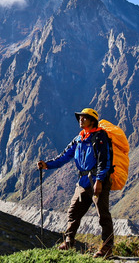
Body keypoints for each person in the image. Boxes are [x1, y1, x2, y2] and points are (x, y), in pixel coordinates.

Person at [37, 107, 114, 259]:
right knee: (73, 212)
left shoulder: (100, 137)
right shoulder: (79, 139)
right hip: (83, 182)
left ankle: (106, 248)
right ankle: (68, 242)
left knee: (103, 215)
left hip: (99, 182)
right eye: (80, 117)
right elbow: (64, 156)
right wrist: (47, 165)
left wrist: (99, 180)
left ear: (92, 121)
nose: (80, 119)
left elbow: (105, 161)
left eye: (84, 117)